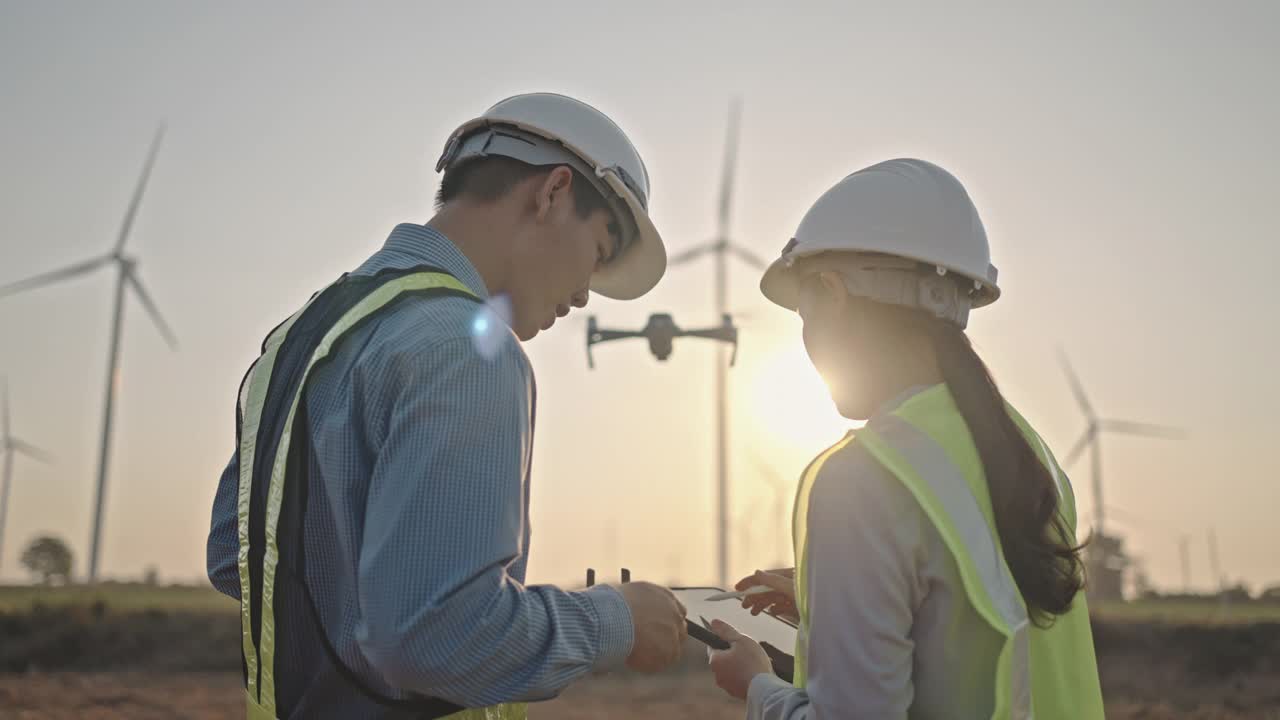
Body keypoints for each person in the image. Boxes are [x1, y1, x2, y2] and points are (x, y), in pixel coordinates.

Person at [206, 92, 687, 720]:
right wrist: (614, 621)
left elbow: (234, 558)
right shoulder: (466, 348)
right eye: (596, 253)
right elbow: (437, 636)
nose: (582, 296)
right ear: (552, 193)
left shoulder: (301, 336)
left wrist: (381, 599)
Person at [707, 159, 1105, 719]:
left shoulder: (865, 477)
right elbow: (980, 634)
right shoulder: (1029, 456)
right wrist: (846, 608)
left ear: (830, 290)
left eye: (803, 309)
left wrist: (755, 684)